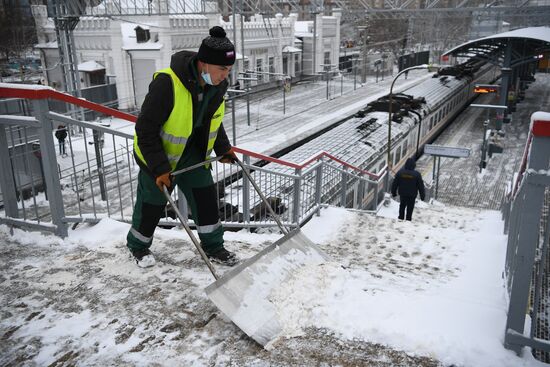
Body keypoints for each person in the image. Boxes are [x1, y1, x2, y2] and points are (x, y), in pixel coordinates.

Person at [127, 26, 238, 268]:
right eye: (222, 69)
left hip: (193, 155)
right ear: (203, 63)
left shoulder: (217, 86)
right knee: (151, 206)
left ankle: (213, 247)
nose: (225, 75)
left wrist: (224, 149)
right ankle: (137, 247)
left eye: (228, 70)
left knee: (206, 200)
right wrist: (158, 168)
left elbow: (212, 121)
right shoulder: (167, 84)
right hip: (157, 157)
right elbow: (145, 130)